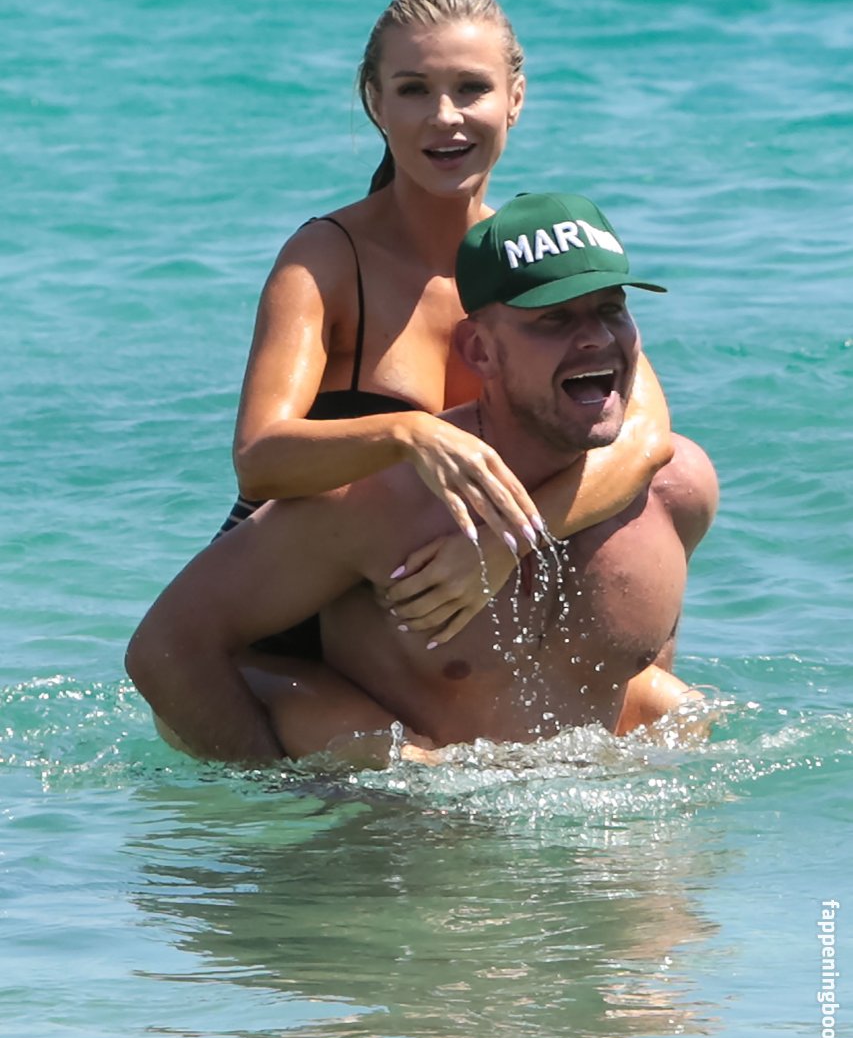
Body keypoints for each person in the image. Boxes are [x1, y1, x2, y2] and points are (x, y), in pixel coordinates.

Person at [126, 192, 718, 766]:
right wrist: (280, 802)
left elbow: (630, 687)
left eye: (611, 310)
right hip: (403, 811)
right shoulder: (380, 501)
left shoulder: (678, 493)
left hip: (564, 816)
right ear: (479, 351)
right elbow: (165, 651)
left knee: (683, 712)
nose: (596, 339)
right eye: (554, 319)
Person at [214, 0, 672, 651]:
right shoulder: (327, 259)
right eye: (413, 90)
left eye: (471, 88)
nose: (445, 116)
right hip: (293, 616)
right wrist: (408, 434)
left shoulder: (532, 255)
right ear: (376, 102)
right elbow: (259, 462)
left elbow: (646, 436)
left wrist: (507, 544)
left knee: (667, 498)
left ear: (515, 98)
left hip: (431, 609)